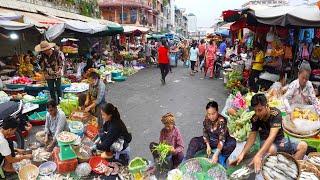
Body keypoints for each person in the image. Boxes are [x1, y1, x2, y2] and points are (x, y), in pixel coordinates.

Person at [235, 94, 308, 173]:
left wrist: (258, 155)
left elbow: (272, 137)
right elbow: (252, 137)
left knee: (303, 146)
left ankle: (290, 171)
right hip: (265, 142)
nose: (257, 113)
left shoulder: (276, 114)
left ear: (267, 106)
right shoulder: (255, 118)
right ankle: (274, 171)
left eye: (260, 110)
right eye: (255, 110)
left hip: (280, 140)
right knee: (271, 149)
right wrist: (242, 153)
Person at [186, 101, 236, 167]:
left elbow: (222, 140)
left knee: (232, 143)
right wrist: (208, 145)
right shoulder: (207, 118)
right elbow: (205, 131)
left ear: (217, 111)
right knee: (194, 141)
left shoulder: (222, 121)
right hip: (211, 139)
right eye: (209, 114)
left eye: (213, 113)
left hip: (220, 140)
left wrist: (216, 154)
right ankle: (187, 161)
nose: (211, 116)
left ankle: (222, 157)